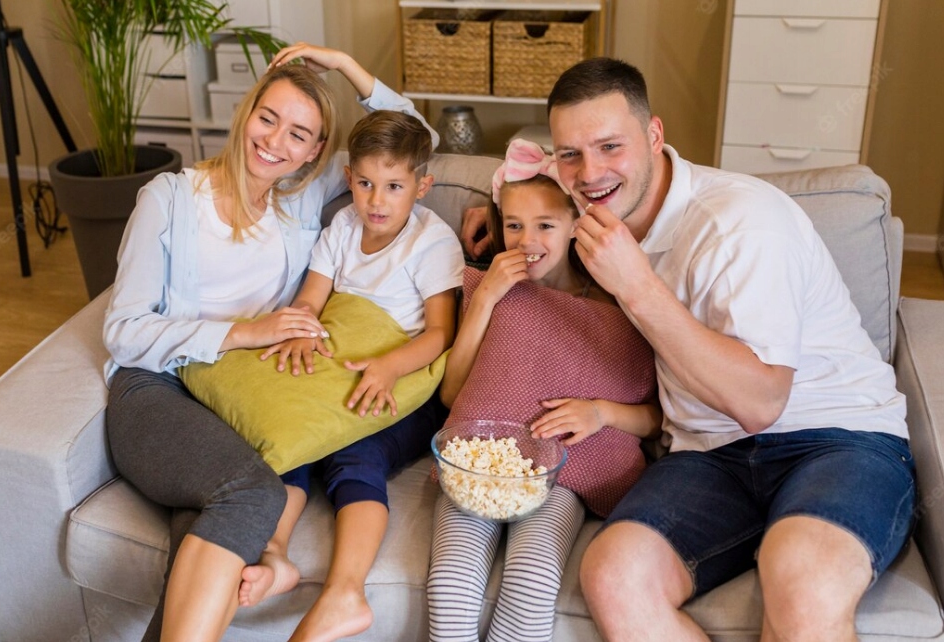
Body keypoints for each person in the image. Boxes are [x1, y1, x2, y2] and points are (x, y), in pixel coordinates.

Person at [458, 57, 914, 641]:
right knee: (615, 576)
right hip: (707, 453)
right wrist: (494, 209)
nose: (590, 172)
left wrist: (639, 287)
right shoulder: (594, 206)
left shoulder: (740, 223)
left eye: (610, 147)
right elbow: (538, 181)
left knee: (802, 581)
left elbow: (761, 403)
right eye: (571, 154)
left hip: (835, 437)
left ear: (654, 136)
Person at [102, 43, 439, 642]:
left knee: (200, 543)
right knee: (250, 495)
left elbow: (414, 137)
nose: (275, 142)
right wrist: (244, 333)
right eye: (268, 118)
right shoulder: (168, 198)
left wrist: (344, 65)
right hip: (159, 389)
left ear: (316, 152)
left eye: (299, 134)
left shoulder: (300, 194)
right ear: (246, 111)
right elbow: (123, 332)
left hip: (247, 393)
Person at [236, 109, 464, 642]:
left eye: (393, 187)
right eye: (364, 184)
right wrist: (300, 329)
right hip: (343, 366)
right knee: (293, 434)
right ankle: (275, 553)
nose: (376, 201)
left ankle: (345, 593)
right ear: (349, 179)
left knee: (355, 455)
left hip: (406, 380)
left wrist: (390, 365)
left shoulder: (432, 241)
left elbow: (441, 333)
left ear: (422, 186)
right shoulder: (343, 226)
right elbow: (311, 298)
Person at [426, 139, 660, 642]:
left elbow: (658, 418)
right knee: (449, 584)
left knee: (532, 582)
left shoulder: (619, 304)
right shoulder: (489, 289)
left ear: (578, 223)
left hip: (562, 479)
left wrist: (601, 412)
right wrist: (486, 298)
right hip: (476, 470)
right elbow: (451, 396)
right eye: (513, 225)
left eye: (545, 226)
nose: (526, 241)